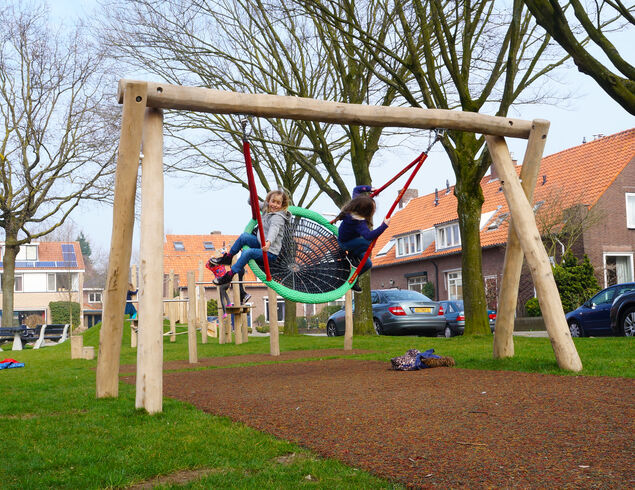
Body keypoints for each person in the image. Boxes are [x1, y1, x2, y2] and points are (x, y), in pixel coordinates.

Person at [208, 189, 291, 286]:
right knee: (244, 237)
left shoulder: (278, 218)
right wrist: (252, 192)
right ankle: (228, 257)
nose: (275, 205)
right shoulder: (266, 208)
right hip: (260, 243)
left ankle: (229, 275)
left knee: (248, 252)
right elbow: (251, 202)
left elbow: (274, 231)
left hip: (269, 252)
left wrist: (268, 243)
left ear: (282, 205)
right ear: (269, 201)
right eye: (273, 201)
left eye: (278, 203)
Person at [335, 186, 390, 293]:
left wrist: (370, 188)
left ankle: (353, 279)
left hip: (352, 242)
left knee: (368, 264)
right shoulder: (358, 222)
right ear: (365, 212)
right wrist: (384, 226)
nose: (375, 211)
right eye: (373, 209)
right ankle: (351, 255)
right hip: (345, 244)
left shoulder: (356, 204)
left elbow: (356, 189)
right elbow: (368, 236)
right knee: (370, 243)